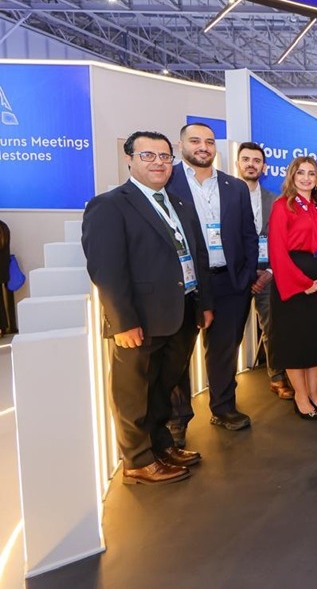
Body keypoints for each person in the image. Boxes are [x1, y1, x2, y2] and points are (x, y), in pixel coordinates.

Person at [82, 130, 212, 484]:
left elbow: (197, 257)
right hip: (140, 319)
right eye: (148, 155)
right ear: (129, 159)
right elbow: (106, 270)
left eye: (164, 156)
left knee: (161, 388)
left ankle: (161, 445)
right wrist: (123, 321)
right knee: (134, 393)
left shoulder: (179, 204)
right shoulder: (110, 205)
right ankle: (138, 461)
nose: (158, 162)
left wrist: (203, 304)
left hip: (181, 312)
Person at [167, 122, 258, 437]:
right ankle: (177, 420)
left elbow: (249, 235)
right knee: (178, 355)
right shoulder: (167, 182)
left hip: (229, 282)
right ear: (181, 146)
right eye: (195, 141)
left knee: (224, 350)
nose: (203, 147)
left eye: (208, 141)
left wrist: (246, 275)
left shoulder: (235, 187)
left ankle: (223, 407)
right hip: (186, 284)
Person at [267, 156, 317, 420]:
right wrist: (303, 284)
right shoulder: (282, 206)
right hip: (295, 287)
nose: (306, 178)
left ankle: (314, 392)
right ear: (292, 176)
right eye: (301, 173)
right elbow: (277, 251)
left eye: (311, 173)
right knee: (296, 343)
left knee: (316, 342)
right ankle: (300, 395)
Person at [237, 142, 292, 400]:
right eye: (246, 159)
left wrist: (270, 270)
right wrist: (245, 273)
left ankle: (277, 377)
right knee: (229, 335)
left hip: (268, 273)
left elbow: (283, 240)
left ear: (264, 167)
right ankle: (224, 390)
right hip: (235, 275)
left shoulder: (276, 200)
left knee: (273, 328)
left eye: (257, 160)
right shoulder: (226, 197)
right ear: (238, 163)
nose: (251, 164)